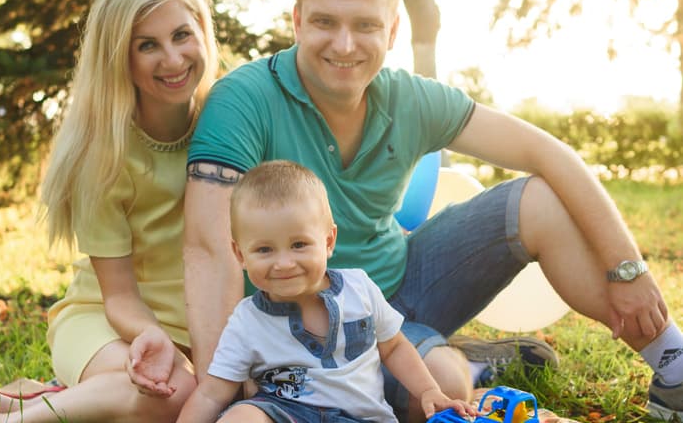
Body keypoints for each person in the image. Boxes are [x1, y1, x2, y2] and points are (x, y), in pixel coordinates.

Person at [183, 0, 682, 422]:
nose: (344, 44)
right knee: (443, 385)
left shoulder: (412, 100)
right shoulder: (243, 100)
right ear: (297, 21)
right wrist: (224, 395)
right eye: (324, 22)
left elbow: (549, 153)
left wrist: (628, 270)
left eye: (365, 25)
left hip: (405, 289)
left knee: (541, 199)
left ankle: (674, 366)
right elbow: (209, 249)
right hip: (296, 324)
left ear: (393, 31)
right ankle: (471, 362)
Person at [0, 0, 219, 423]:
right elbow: (118, 297)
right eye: (147, 45)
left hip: (194, 330)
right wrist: (152, 335)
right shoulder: (104, 155)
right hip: (109, 322)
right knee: (176, 394)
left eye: (182, 35)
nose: (173, 59)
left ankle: (43, 397)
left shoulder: (226, 123)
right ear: (119, 57)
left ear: (201, 31)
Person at [178, 160, 477, 423]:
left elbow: (395, 347)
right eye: (264, 249)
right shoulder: (247, 320)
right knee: (242, 417)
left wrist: (428, 390)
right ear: (240, 255)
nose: (284, 263)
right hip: (284, 412)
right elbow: (212, 394)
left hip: (361, 417)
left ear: (329, 241)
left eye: (299, 245)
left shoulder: (358, 289)